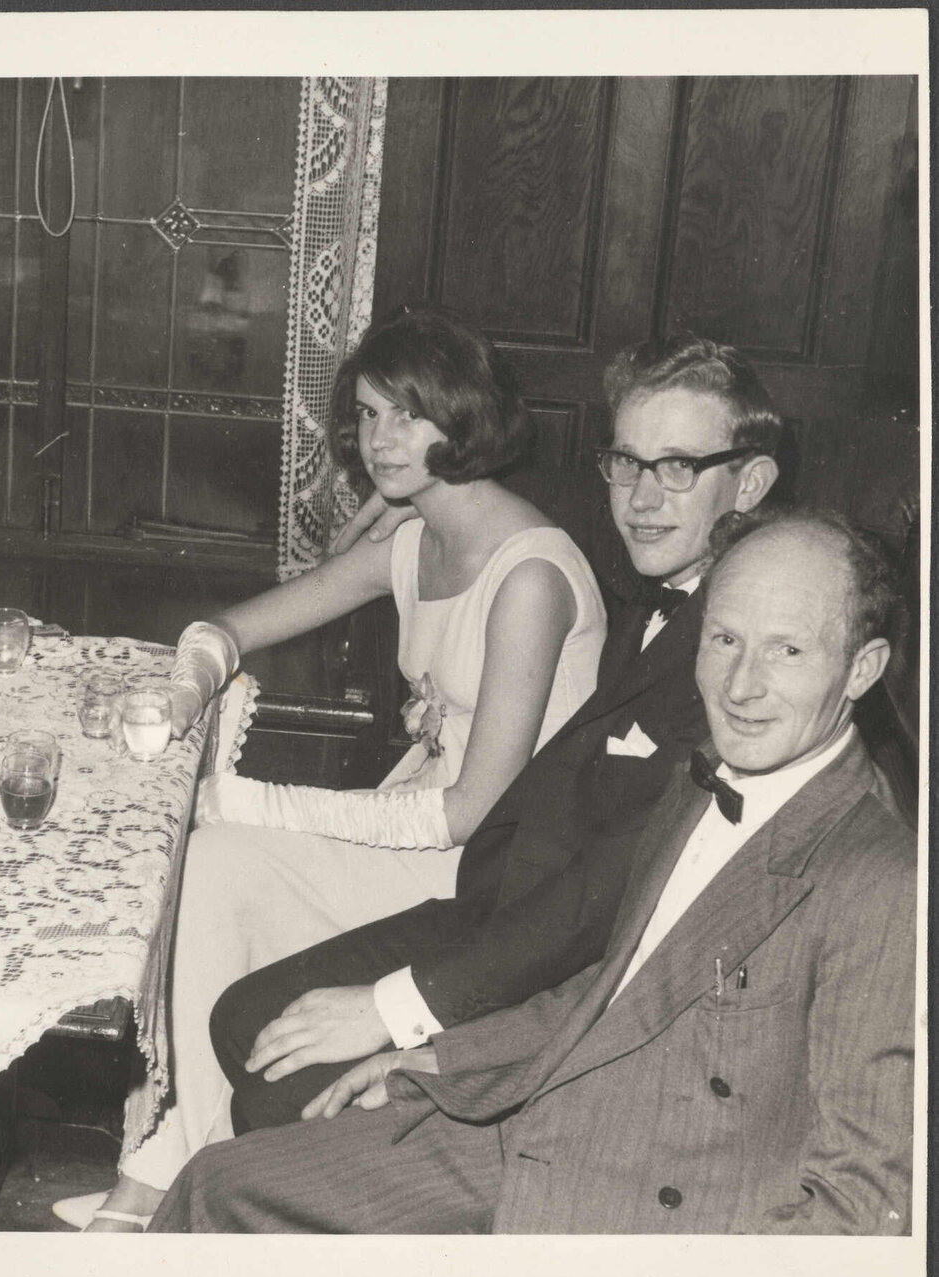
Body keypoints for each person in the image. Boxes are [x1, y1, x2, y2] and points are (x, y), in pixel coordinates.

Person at [152, 509, 913, 1234]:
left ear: (862, 669)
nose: (741, 686)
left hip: (637, 1207)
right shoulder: (702, 776)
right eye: (724, 639)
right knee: (217, 1186)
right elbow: (612, 992)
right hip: (541, 1113)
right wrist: (436, 1061)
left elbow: (861, 1203)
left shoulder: (883, 884)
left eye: (788, 651)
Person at [66, 307, 609, 1231]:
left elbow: (471, 813)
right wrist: (189, 689)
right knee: (212, 864)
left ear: (464, 414)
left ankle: (164, 1181)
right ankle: (165, 1173)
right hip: (412, 825)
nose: (380, 439)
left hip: (482, 869)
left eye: (409, 414)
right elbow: (231, 627)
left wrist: (255, 801)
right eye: (366, 414)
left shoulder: (528, 578)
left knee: (221, 858)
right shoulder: (417, 540)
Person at [209, 334, 784, 1135]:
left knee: (276, 1085)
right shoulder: (667, 562)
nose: (642, 499)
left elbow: (600, 907)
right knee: (241, 1019)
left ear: (750, 483)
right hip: (504, 893)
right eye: (627, 463)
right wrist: (418, 487)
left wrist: (397, 1010)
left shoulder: (742, 661)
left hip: (578, 983)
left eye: (679, 467)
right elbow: (543, 494)